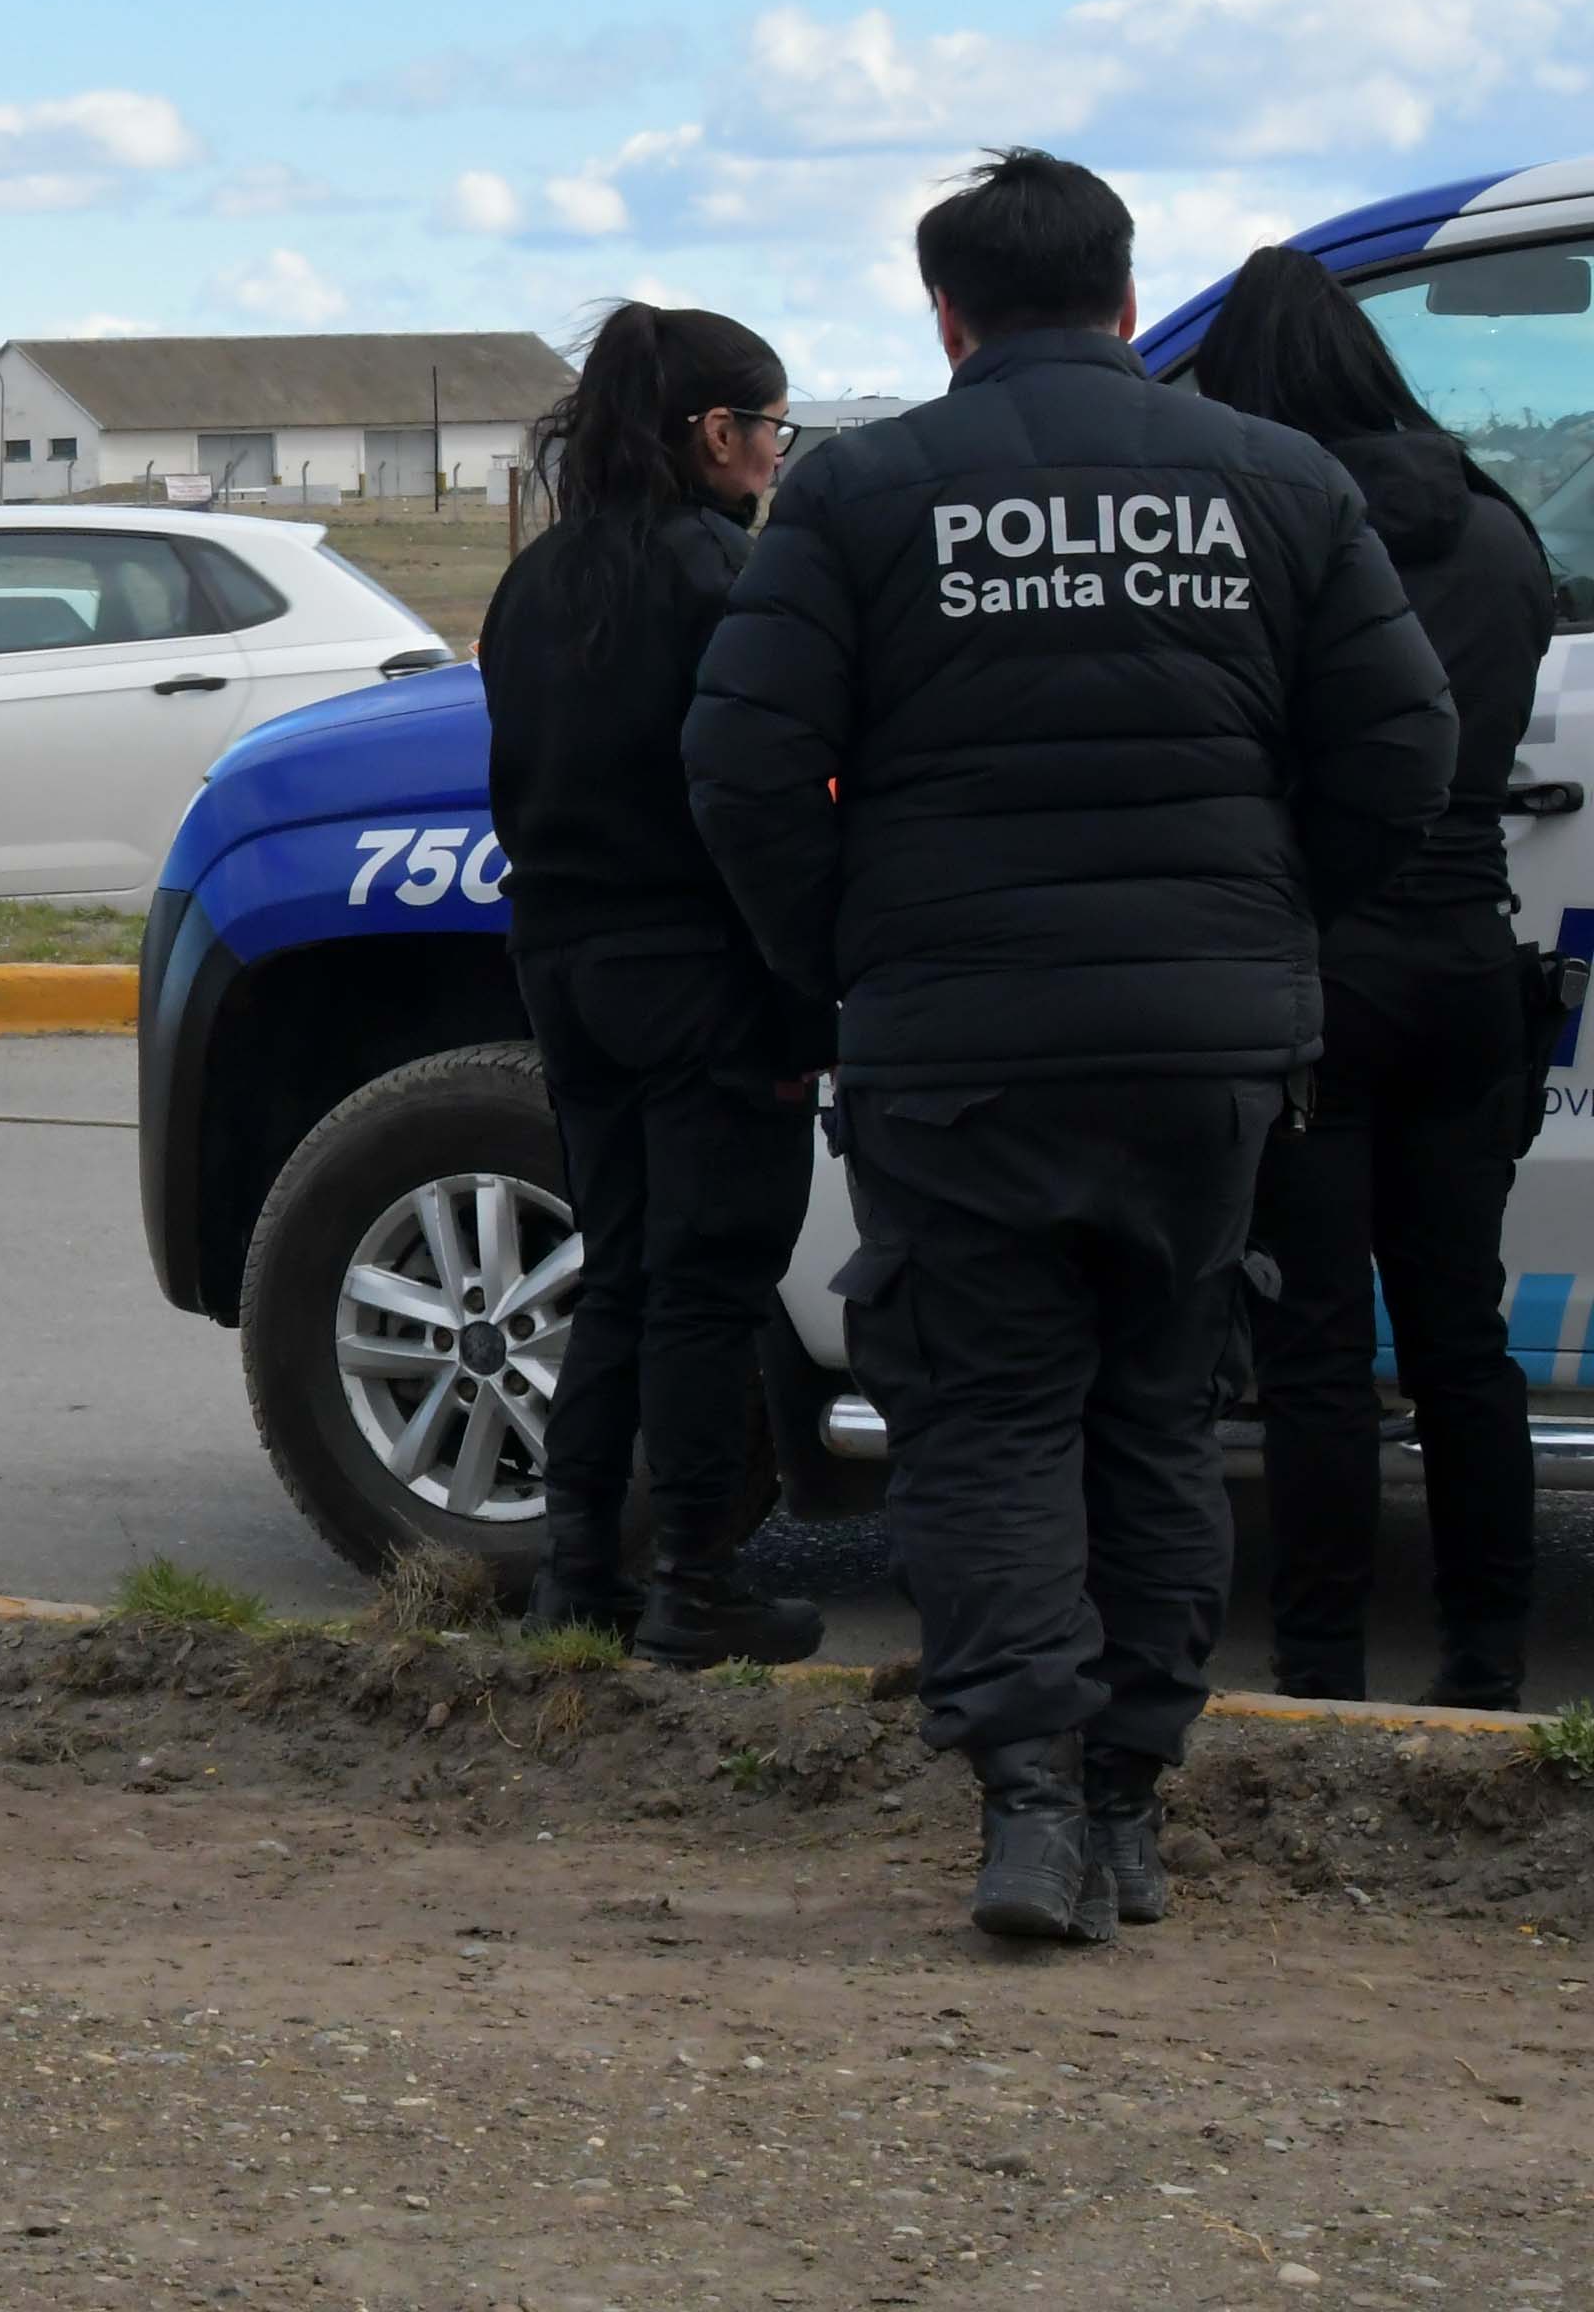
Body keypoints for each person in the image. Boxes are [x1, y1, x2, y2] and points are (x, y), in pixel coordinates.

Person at [685, 149, 1454, 1945]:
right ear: (1125, 299)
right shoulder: (1278, 480)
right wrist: (1267, 926)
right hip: (1204, 1049)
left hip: (959, 1046)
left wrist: (846, 956)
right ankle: (1127, 1806)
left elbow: (740, 766)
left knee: (988, 1420)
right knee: (1159, 1414)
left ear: (947, 319)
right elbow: (1406, 747)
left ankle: (1028, 1808)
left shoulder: (859, 492)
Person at [1197, 248, 1553, 1711]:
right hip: (1470, 962)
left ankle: (1322, 1672)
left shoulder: (1277, 529)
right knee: (1465, 1342)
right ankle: (1488, 1668)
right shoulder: (1499, 525)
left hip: (1320, 969)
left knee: (1319, 1352)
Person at [477, 303, 827, 1668]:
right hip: (702, 966)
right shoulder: (723, 578)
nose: (779, 455)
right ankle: (696, 1574)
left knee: (617, 1267)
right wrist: (807, 990)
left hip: (561, 958)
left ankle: (578, 1571)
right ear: (716, 433)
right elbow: (762, 796)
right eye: (772, 428)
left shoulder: (533, 583)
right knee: (710, 1277)